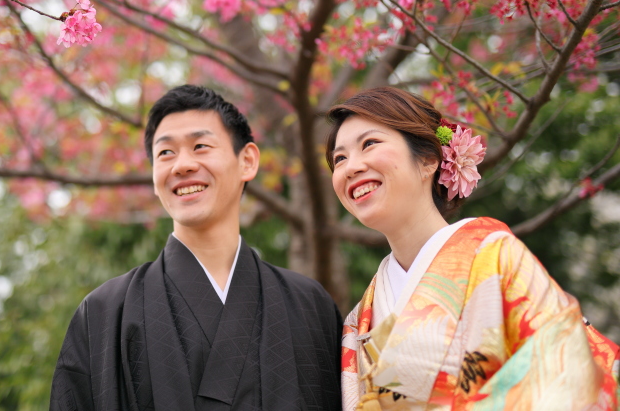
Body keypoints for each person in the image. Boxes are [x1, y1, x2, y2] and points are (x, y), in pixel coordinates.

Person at [50, 84, 342, 411]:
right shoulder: (105, 312)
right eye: (166, 153)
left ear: (247, 161)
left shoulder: (309, 305)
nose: (182, 165)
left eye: (200, 146)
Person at [325, 87, 619, 410]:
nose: (351, 167)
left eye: (369, 144)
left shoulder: (493, 255)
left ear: (428, 160)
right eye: (340, 159)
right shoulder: (359, 319)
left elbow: (565, 366)